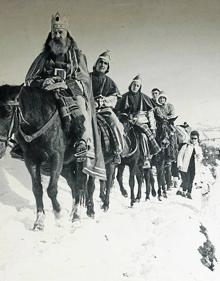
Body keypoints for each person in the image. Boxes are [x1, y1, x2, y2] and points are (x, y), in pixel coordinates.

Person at [12, 12, 106, 180]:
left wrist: (67, 83)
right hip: (46, 91)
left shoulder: (77, 56)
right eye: (55, 32)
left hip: (70, 90)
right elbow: (30, 78)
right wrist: (45, 81)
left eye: (60, 32)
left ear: (66, 34)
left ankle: (82, 142)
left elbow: (84, 79)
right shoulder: (43, 57)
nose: (57, 35)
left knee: (81, 106)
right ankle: (22, 144)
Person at [116, 75, 160, 168]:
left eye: (137, 86)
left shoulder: (144, 98)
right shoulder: (124, 96)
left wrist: (152, 127)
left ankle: (145, 158)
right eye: (134, 85)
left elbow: (150, 114)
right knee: (118, 133)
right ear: (131, 84)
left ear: (140, 87)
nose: (135, 87)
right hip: (126, 121)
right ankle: (116, 154)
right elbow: (118, 110)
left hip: (140, 121)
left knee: (143, 136)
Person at [90, 51, 124, 164]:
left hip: (103, 109)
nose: (102, 65)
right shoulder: (87, 77)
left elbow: (114, 98)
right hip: (87, 107)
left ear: (107, 67)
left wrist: (101, 102)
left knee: (115, 124)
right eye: (100, 62)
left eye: (105, 63)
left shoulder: (110, 82)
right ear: (96, 64)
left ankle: (117, 151)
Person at [177, 130, 203, 199]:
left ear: (197, 139)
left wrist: (198, 157)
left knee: (191, 180)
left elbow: (200, 158)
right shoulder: (186, 146)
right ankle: (183, 191)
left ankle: (189, 193)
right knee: (186, 180)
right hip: (186, 166)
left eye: (195, 138)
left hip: (194, 166)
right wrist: (179, 164)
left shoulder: (198, 148)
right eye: (192, 138)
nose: (193, 140)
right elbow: (180, 155)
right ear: (190, 138)